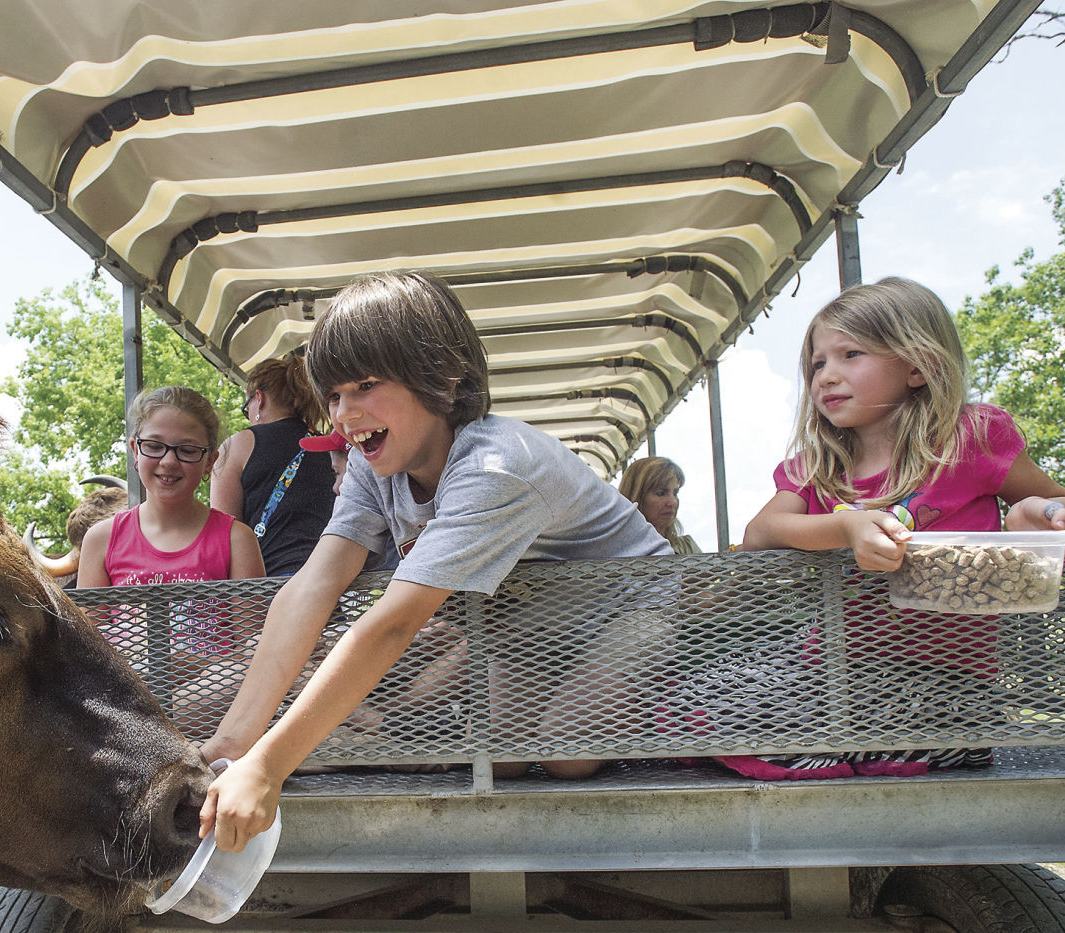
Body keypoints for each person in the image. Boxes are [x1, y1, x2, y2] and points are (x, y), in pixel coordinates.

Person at [198, 270, 670, 851]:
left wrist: (268, 768)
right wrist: (232, 743)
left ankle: (673, 696)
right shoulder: (375, 467)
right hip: (534, 627)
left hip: (635, 606)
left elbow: (394, 623)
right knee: (508, 760)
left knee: (565, 754)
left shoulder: (494, 467)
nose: (345, 414)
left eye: (366, 385)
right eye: (335, 395)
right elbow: (311, 586)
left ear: (443, 379)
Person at [732, 275, 1065, 777]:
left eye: (850, 354)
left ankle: (839, 764)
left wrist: (1035, 517)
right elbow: (760, 531)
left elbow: (1058, 501)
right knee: (680, 702)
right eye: (817, 363)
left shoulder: (971, 437)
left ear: (918, 367)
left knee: (802, 736)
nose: (826, 376)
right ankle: (830, 760)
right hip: (829, 671)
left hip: (947, 683)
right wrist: (848, 528)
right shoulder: (818, 463)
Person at [77, 385, 265, 588]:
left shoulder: (237, 541)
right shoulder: (101, 540)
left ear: (210, 462)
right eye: (154, 446)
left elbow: (253, 620)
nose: (168, 461)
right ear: (135, 450)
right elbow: (90, 621)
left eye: (187, 450)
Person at [212, 354, 338, 575]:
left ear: (259, 398)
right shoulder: (329, 448)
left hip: (265, 588)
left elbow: (222, 534)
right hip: (328, 582)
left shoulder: (239, 445)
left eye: (246, 407)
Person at [618, 456, 701, 554]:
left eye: (675, 493)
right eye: (661, 493)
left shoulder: (687, 548)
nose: (672, 502)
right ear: (636, 497)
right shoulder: (616, 551)